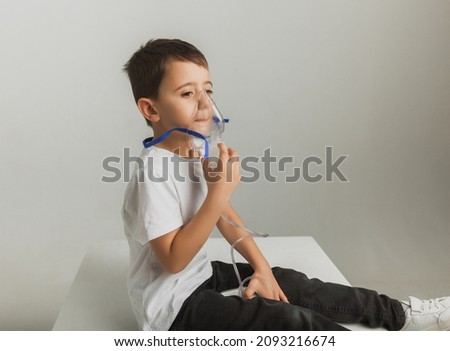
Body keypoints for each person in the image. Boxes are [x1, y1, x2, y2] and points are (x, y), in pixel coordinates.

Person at [121, 38, 450, 331]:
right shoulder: (155, 173)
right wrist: (218, 192)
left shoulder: (192, 154)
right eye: (187, 93)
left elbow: (224, 217)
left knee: (292, 283)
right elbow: (174, 260)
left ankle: (399, 313)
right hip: (172, 309)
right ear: (151, 109)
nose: (205, 103)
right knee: (286, 319)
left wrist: (263, 269)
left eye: (208, 90)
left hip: (199, 278)